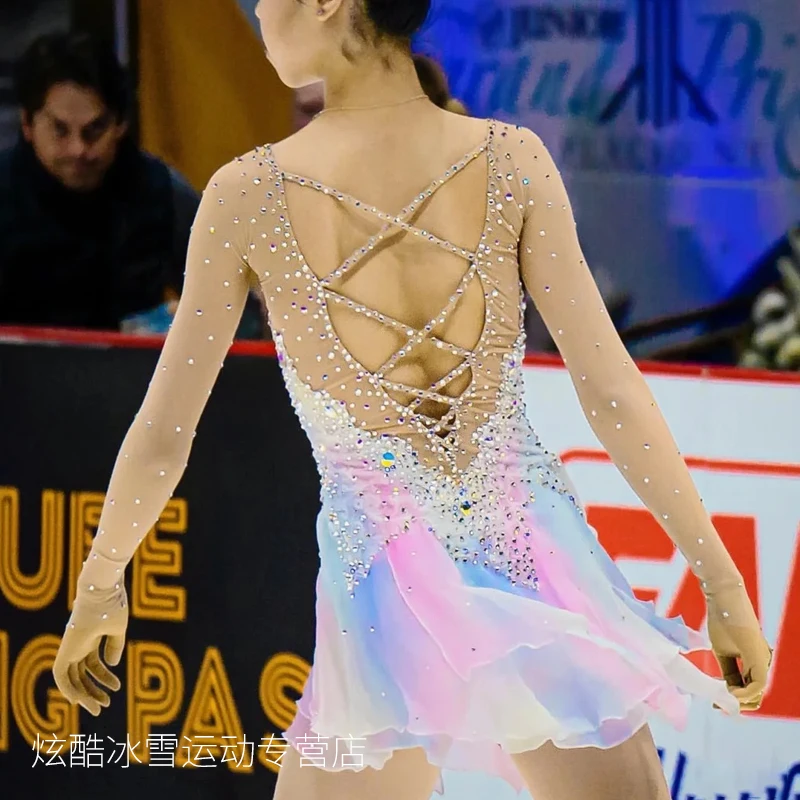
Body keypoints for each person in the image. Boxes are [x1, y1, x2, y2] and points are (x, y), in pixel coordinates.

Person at [53, 2, 772, 799]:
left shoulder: (247, 195)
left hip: (386, 607)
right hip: (533, 571)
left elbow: (165, 429)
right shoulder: (512, 160)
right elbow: (612, 392)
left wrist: (100, 581)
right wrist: (721, 581)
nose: (258, 14)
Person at [0, 32, 199, 331]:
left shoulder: (162, 192)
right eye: (60, 130)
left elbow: (239, 303)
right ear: (28, 124)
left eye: (95, 129)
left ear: (120, 124)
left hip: (128, 373)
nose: (78, 149)